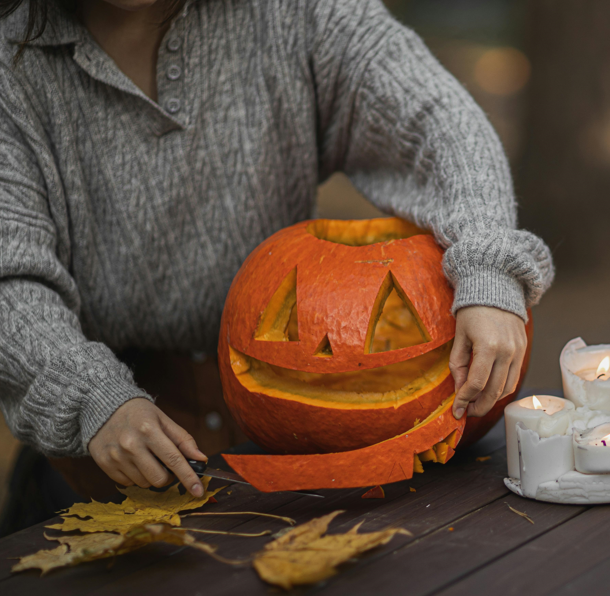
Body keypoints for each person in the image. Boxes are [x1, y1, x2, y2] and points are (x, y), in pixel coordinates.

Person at [0, 0, 553, 503]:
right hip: (103, 456)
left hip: (296, 454)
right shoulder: (11, 63)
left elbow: (437, 119)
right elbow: (9, 276)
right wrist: (91, 396)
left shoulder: (296, 11)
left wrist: (487, 264)